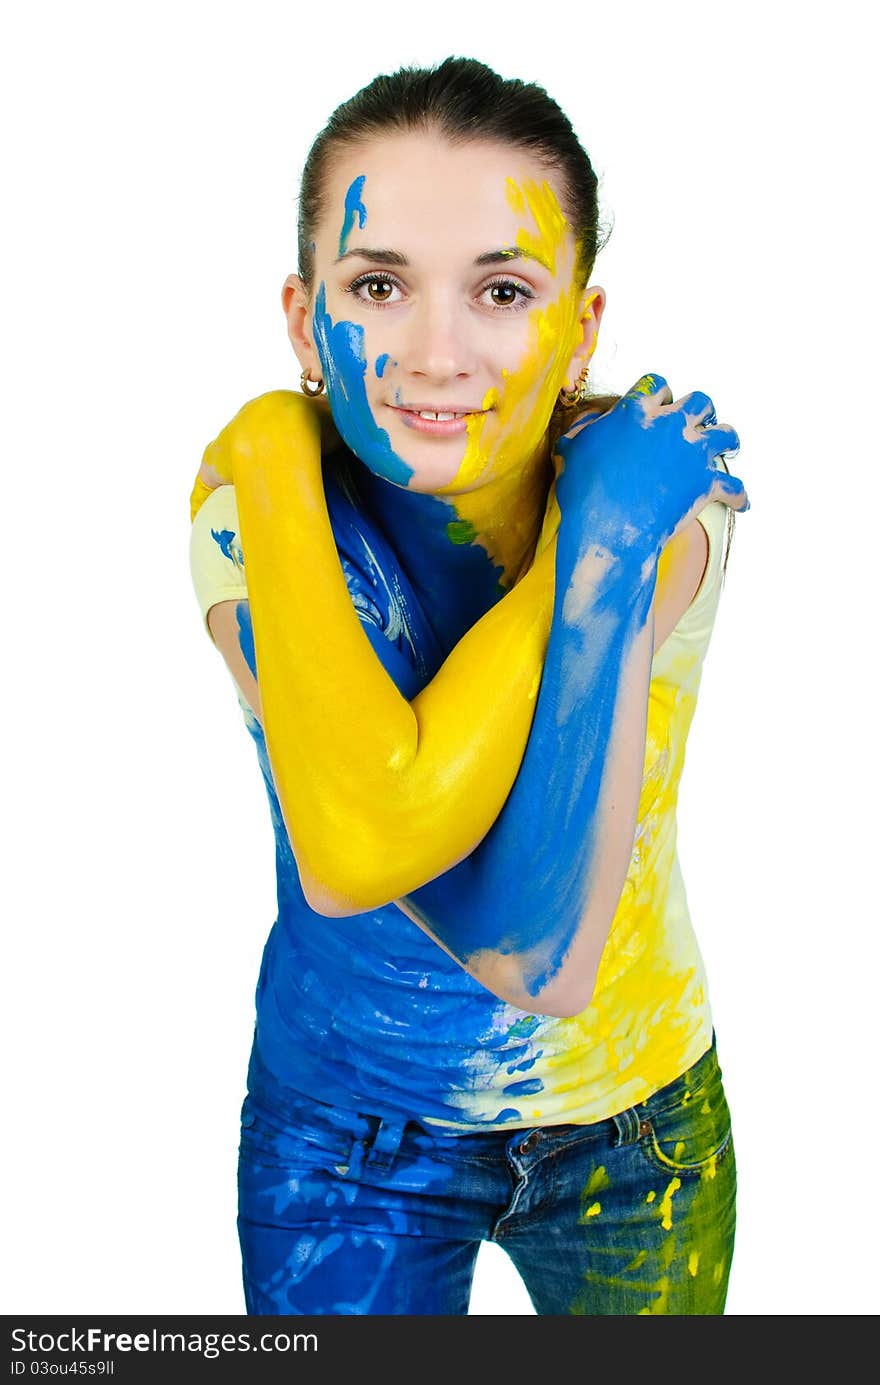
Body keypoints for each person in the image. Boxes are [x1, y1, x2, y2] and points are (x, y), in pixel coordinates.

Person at [188, 55, 749, 1316]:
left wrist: (603, 530)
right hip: (345, 1135)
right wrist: (280, 467)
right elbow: (357, 843)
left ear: (581, 325)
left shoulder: (662, 505)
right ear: (301, 320)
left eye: (501, 289)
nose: (437, 352)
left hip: (637, 1128)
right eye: (377, 284)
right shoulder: (260, 534)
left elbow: (544, 957)